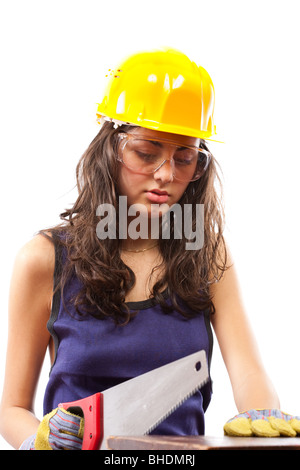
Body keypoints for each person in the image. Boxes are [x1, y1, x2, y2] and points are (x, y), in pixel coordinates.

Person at [0, 48, 299, 451]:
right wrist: (37, 443)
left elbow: (248, 375)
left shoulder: (208, 255)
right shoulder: (44, 260)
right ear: (111, 149)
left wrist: (261, 412)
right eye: (146, 153)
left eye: (185, 157)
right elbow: (11, 407)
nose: (165, 175)